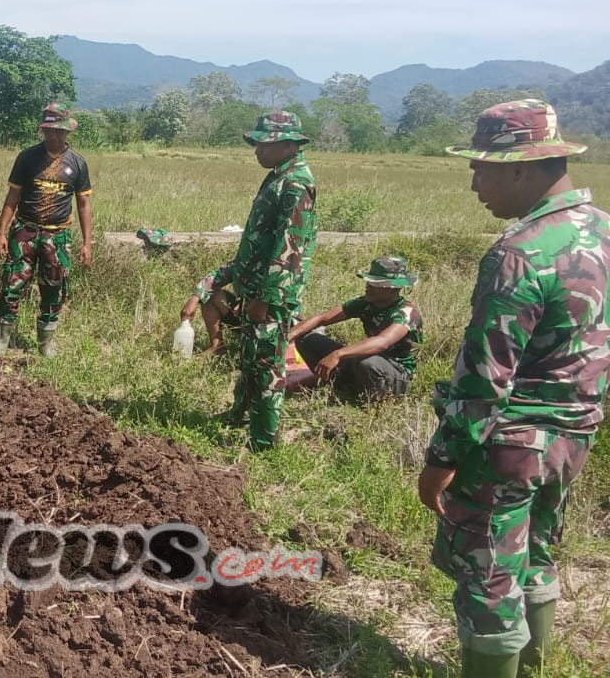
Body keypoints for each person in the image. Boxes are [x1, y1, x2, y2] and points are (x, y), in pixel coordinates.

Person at [417, 100, 608, 678]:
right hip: (573, 435)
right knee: (536, 556)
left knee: (490, 576)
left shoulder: (518, 253)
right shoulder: (600, 231)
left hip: (510, 442)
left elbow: (484, 377)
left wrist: (442, 457)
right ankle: (537, 668)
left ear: (521, 167)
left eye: (483, 167)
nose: (475, 182)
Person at [206, 110, 317, 451]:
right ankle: (240, 415)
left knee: (267, 366)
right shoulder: (278, 176)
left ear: (287, 144)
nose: (257, 150)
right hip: (255, 289)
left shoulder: (296, 183)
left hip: (271, 296)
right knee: (251, 360)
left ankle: (263, 442)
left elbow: (289, 248)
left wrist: (266, 298)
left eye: (263, 144)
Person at [0, 102, 94, 357]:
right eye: (49, 130)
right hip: (25, 232)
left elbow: (83, 204)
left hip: (58, 236)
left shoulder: (77, 164)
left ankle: (45, 343)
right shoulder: (27, 158)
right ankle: (2, 340)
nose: (54, 136)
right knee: (12, 284)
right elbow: (12, 197)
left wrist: (87, 243)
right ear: (42, 130)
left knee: (54, 288)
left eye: (59, 131)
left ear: (67, 132)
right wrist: (1, 233)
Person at [285, 256, 423, 401]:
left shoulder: (406, 312)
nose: (368, 285)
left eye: (376, 283)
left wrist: (338, 354)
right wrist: (286, 338)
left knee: (367, 362)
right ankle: (335, 383)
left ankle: (373, 400)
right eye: (369, 281)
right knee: (306, 338)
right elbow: (322, 318)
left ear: (392, 288)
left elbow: (382, 342)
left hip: (395, 372)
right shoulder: (365, 303)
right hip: (364, 363)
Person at [179, 261, 242, 357]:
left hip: (266, 318)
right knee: (209, 296)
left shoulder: (271, 263)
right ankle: (218, 348)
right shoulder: (248, 259)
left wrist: (246, 302)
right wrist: (194, 299)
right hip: (243, 314)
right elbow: (219, 275)